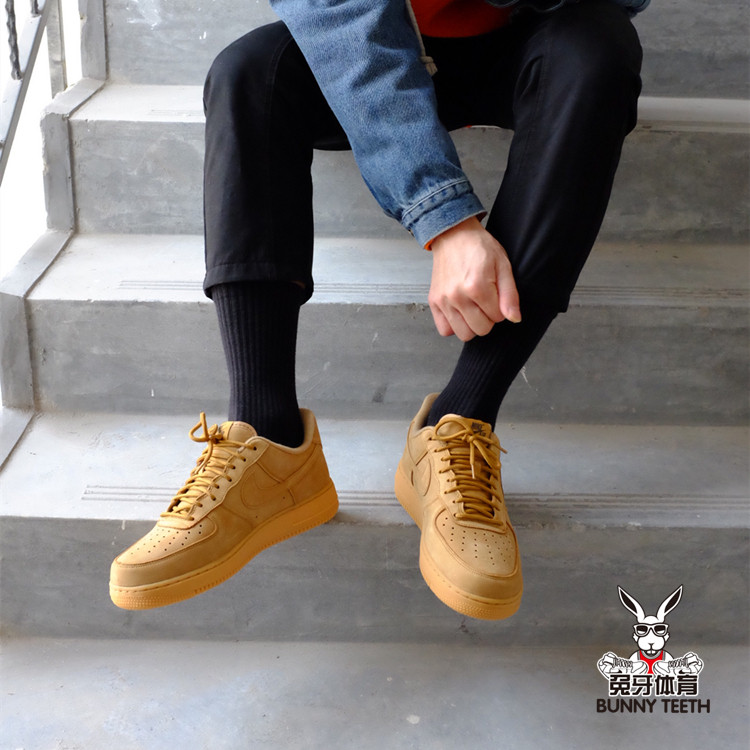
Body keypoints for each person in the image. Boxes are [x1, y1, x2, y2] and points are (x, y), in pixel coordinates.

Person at [109, 0, 645, 619]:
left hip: (532, 39)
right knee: (248, 72)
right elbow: (342, 19)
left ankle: (462, 418)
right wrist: (446, 220)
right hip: (371, 45)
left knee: (599, 48)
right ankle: (269, 437)